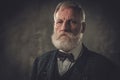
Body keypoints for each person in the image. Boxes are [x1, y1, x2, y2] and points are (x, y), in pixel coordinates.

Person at [31, 1, 120, 80]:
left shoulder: (105, 67)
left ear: (83, 27)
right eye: (60, 22)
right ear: (54, 26)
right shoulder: (39, 63)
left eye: (72, 22)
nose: (64, 28)